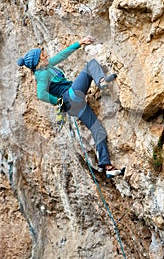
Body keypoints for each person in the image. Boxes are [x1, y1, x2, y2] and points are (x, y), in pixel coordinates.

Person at [17, 36, 123, 179]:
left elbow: (62, 54)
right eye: (43, 55)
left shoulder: (46, 66)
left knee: (97, 129)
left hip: (73, 105)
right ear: (37, 62)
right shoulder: (41, 74)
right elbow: (41, 94)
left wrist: (79, 43)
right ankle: (102, 81)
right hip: (71, 96)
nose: (46, 55)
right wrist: (58, 100)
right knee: (91, 65)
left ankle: (107, 166)